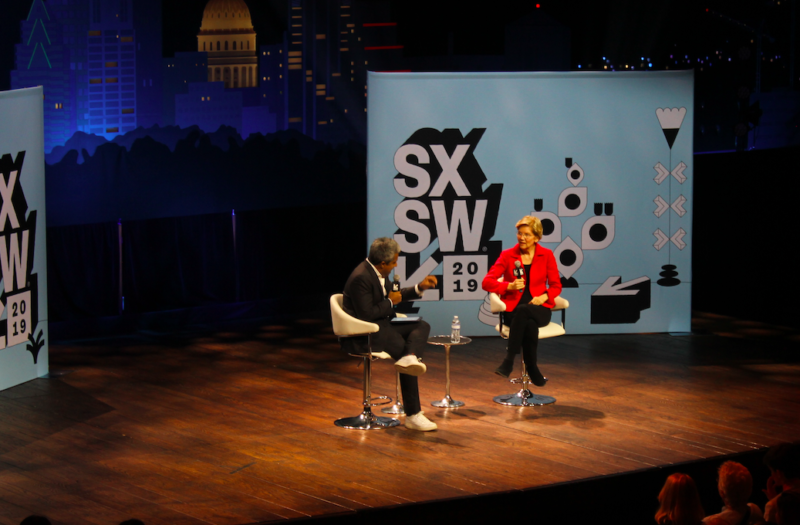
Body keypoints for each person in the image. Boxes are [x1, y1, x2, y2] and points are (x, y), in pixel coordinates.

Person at [342, 237, 438, 431]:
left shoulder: (377, 272)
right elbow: (366, 315)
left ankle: (410, 357)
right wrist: (390, 302)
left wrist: (420, 287)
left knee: (421, 326)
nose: (396, 265)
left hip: (383, 325)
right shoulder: (361, 277)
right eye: (394, 262)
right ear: (383, 263)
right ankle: (413, 415)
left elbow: (394, 296)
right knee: (406, 357)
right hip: (365, 333)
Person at [481, 215, 562, 383]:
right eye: (519, 233)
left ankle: (508, 360)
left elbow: (556, 286)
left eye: (527, 234)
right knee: (528, 323)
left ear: (537, 238)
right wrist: (508, 286)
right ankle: (532, 368)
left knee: (526, 311)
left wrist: (544, 297)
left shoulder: (546, 255)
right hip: (513, 311)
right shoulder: (508, 255)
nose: (522, 238)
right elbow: (486, 282)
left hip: (539, 310)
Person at [764, 443, 800, 524]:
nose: (771, 475)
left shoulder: (773, 506)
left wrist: (773, 501)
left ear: (779, 473)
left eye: (771, 471)